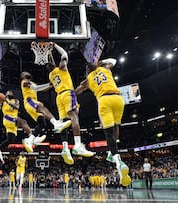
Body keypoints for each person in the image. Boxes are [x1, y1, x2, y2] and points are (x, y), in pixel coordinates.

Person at [75, 58, 131, 186]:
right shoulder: (105, 68)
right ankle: (112, 153)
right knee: (117, 126)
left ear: (88, 71)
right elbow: (114, 61)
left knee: (108, 133)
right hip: (118, 99)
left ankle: (118, 161)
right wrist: (101, 62)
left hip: (104, 100)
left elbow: (78, 91)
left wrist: (71, 94)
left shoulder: (88, 79)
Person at [44, 42, 94, 165]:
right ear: (54, 65)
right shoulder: (61, 68)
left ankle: (65, 148)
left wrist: (49, 53)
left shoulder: (51, 75)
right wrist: (54, 45)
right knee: (74, 116)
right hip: (67, 93)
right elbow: (64, 54)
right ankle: (77, 145)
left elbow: (52, 64)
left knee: (62, 124)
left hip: (59, 97)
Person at [20, 71, 72, 137]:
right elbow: (36, 88)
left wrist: (51, 85)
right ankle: (56, 124)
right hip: (29, 101)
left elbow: (42, 89)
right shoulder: (24, 82)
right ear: (22, 76)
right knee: (41, 107)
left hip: (32, 102)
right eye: (24, 73)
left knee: (42, 122)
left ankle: (31, 139)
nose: (26, 73)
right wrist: (49, 84)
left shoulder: (32, 83)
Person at [0, 90, 41, 155]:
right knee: (23, 122)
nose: (10, 93)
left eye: (11, 92)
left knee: (10, 140)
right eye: (8, 92)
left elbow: (17, 107)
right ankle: (32, 138)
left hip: (13, 123)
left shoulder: (16, 101)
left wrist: (7, 101)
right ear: (5, 95)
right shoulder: (3, 102)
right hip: (8, 119)